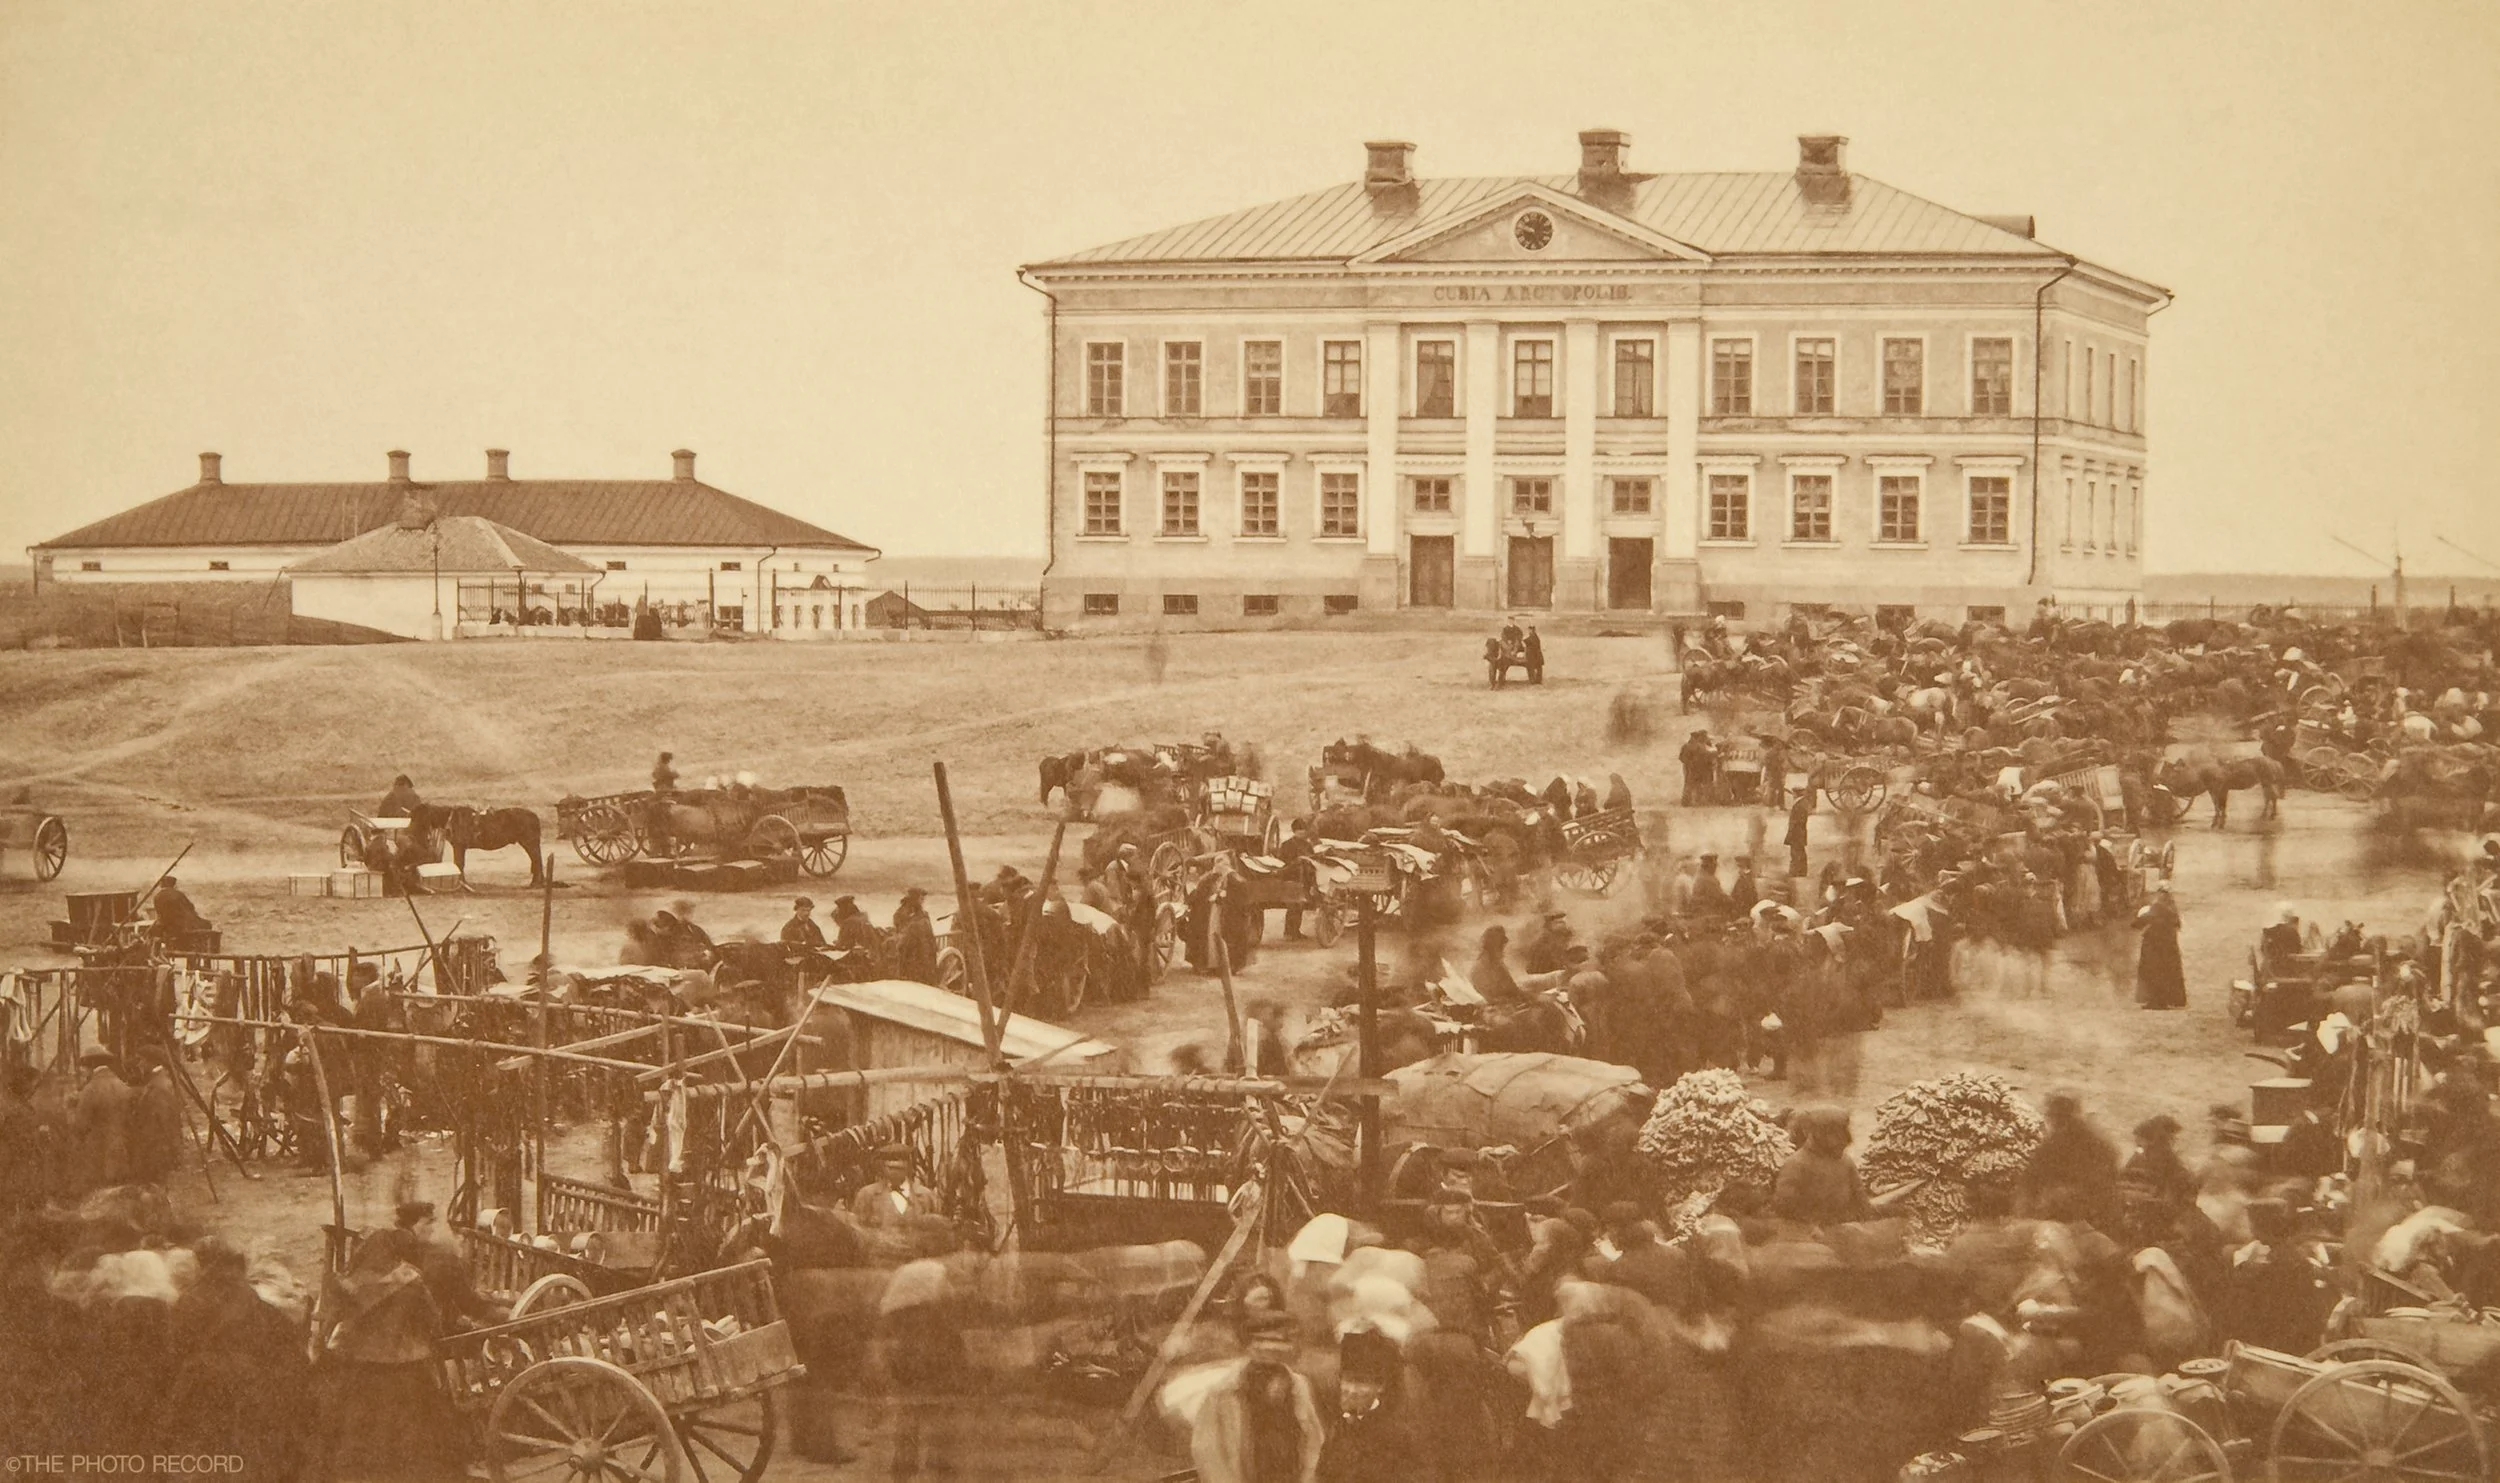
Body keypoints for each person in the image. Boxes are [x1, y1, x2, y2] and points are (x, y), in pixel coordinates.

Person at [1190, 1312, 1324, 1483]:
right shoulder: (1223, 1392)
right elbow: (1207, 1451)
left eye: (1278, 1342)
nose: (1270, 1348)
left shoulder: (1299, 1385)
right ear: (1249, 1346)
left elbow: (1313, 1439)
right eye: (1261, 1341)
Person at [877, 1259, 971, 1481]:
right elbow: (951, 1323)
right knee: (939, 1415)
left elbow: (885, 1323)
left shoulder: (903, 1278)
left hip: (907, 1357)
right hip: (931, 1359)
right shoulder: (943, 1279)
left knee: (908, 1414)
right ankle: (939, 1469)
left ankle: (903, 1470)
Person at [1317, 1327, 1420, 1483]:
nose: (1351, 1390)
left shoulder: (1396, 1435)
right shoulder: (1338, 1427)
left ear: (1380, 1387)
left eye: (1361, 1382)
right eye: (1347, 1380)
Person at [2020, 1090, 2122, 1229]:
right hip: (2076, 1210)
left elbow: (2100, 1184)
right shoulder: (2056, 1140)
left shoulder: (2091, 1142)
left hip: (2085, 1214)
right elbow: (2033, 1176)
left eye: (2053, 1115)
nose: (2051, 1120)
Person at [1769, 1105, 1873, 1227]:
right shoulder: (1797, 1164)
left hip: (1845, 1224)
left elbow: (1860, 1198)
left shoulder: (1845, 1161)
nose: (1844, 1141)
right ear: (1820, 1134)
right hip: (1809, 1231)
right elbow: (1785, 1206)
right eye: (1836, 1134)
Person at [70, 1050, 135, 1192]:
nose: (84, 1072)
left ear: (92, 1066)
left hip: (98, 1150)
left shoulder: (91, 1089)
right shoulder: (123, 1086)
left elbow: (81, 1126)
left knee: (100, 1193)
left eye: (85, 1068)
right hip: (121, 1146)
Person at [850, 1145, 944, 1229]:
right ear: (882, 1168)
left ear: (908, 1167)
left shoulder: (926, 1196)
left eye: (899, 1168)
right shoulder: (867, 1195)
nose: (895, 1172)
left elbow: (938, 1231)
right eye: (891, 1168)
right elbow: (857, 1231)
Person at [130, 1051, 184, 1186]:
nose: (139, 1064)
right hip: (156, 1146)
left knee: (156, 1186)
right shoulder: (157, 1081)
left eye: (142, 1060)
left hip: (157, 1147)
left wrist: (172, 1148)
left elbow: (166, 1120)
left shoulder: (159, 1085)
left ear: (151, 1062)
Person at [2134, 886, 2186, 1009]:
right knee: (2169, 972)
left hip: (2154, 946)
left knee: (2153, 972)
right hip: (2169, 947)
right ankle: (2169, 999)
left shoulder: (2156, 908)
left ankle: (2156, 1001)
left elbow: (2138, 923)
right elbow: (2177, 925)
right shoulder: (2172, 910)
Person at [891, 887, 939, 984]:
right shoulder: (902, 913)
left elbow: (929, 934)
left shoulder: (922, 914)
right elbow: (902, 931)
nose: (922, 901)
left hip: (923, 950)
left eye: (923, 899)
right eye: (921, 899)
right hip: (913, 951)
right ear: (914, 899)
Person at [147, 876, 211, 945]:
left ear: (161, 884)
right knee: (207, 924)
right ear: (173, 884)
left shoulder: (157, 897)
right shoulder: (179, 894)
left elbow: (160, 915)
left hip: (168, 927)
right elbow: (191, 907)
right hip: (183, 926)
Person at [1680, 729, 1719, 807]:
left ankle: (1686, 802)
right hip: (1702, 768)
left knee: (1689, 784)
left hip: (1689, 767)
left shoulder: (1686, 746)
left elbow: (1681, 757)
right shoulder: (1701, 746)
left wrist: (1688, 763)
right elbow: (1707, 757)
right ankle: (1700, 801)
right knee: (1702, 784)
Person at [1786, 790, 1814, 879]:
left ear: (1795, 794)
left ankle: (1795, 872)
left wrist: (1790, 834)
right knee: (1799, 852)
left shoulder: (1798, 805)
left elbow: (1795, 822)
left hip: (1796, 833)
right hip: (1800, 833)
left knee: (1795, 853)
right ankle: (1801, 871)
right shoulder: (1802, 803)